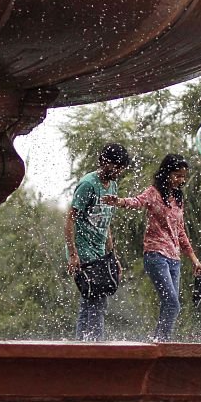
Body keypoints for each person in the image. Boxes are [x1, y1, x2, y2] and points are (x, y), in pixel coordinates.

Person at [103, 154, 201, 342]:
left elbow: (180, 232)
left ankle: (160, 340)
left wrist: (194, 259)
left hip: (174, 259)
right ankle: (160, 343)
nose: (181, 180)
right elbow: (136, 201)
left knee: (171, 304)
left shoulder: (177, 199)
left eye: (183, 176)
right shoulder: (153, 193)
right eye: (177, 175)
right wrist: (119, 201)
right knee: (172, 302)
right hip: (156, 255)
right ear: (166, 173)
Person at [65, 142, 131, 341]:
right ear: (103, 162)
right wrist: (73, 254)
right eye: (116, 166)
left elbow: (107, 222)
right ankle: (96, 345)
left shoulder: (112, 186)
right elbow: (70, 220)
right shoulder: (88, 184)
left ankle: (81, 345)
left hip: (101, 251)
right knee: (97, 299)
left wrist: (113, 257)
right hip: (84, 250)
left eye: (121, 168)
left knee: (89, 301)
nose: (118, 171)